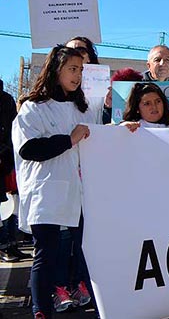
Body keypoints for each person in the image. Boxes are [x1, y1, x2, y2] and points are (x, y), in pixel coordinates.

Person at [12, 46, 101, 318]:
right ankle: (42, 310)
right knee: (46, 255)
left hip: (79, 192)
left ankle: (97, 301)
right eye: (73, 69)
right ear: (56, 70)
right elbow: (28, 149)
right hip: (46, 192)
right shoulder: (34, 107)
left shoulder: (81, 107)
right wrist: (68, 140)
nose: (78, 76)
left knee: (87, 250)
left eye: (81, 70)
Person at [0, 78, 25, 263]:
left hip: (4, 162)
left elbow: (11, 132)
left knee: (6, 208)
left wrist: (7, 155)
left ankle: (8, 245)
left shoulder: (6, 99)